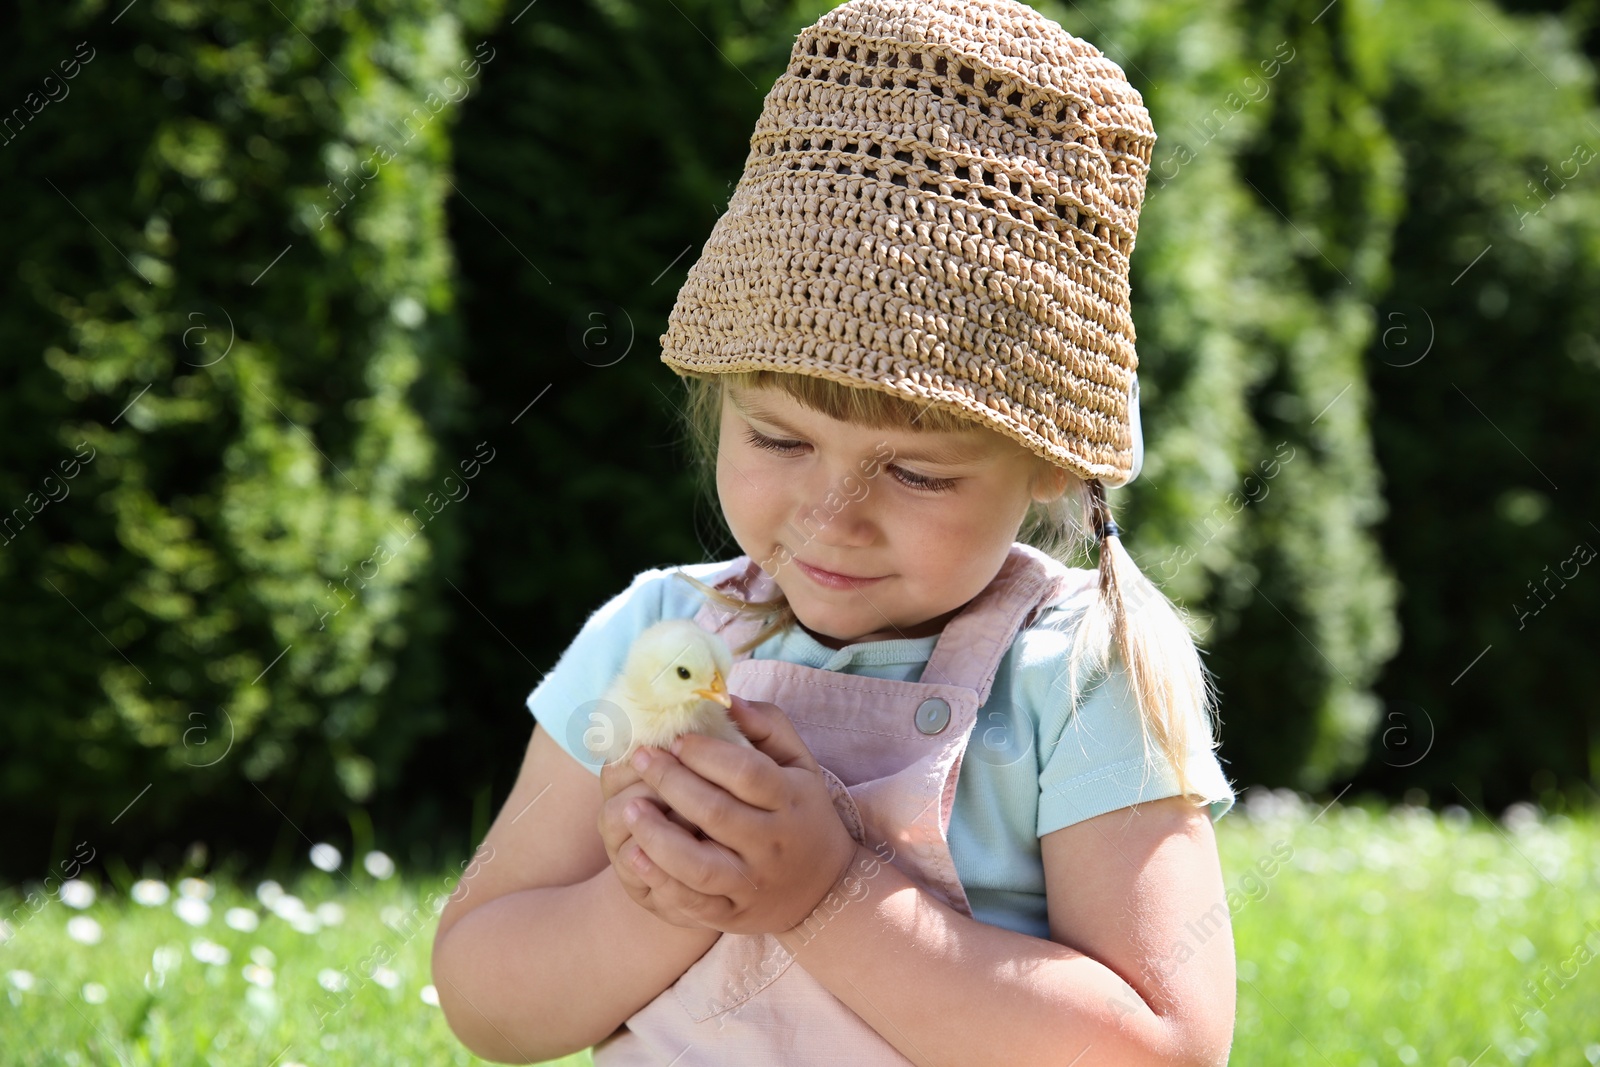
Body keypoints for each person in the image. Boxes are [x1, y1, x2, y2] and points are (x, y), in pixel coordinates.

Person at [432, 0, 1239, 1063]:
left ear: (1050, 461)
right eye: (778, 439)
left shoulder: (1076, 670)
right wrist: (673, 897)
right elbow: (485, 995)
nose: (832, 513)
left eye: (914, 470)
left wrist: (827, 893)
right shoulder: (658, 638)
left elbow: (1162, 1047)